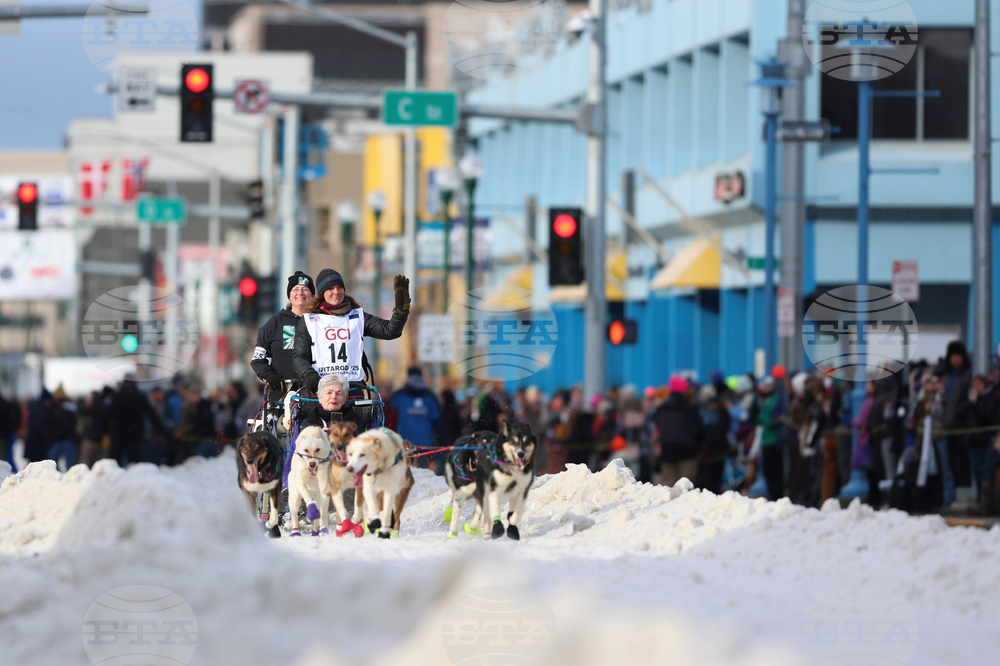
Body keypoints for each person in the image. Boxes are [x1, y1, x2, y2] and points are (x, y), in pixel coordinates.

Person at [292, 268, 410, 393]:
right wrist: (308, 374)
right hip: (321, 389)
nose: (336, 292)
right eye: (330, 288)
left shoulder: (357, 316)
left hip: (352, 387)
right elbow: (299, 357)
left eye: (339, 287)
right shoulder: (310, 321)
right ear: (322, 293)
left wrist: (401, 311)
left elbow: (390, 331)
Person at [252, 271, 315, 397]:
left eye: (305, 289)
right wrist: (269, 376)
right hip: (282, 393)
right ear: (289, 295)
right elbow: (257, 360)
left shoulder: (322, 322)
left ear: (312, 295)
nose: (300, 293)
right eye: (295, 289)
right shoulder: (274, 324)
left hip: (316, 392)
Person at [652, 376, 704, 487]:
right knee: (686, 486)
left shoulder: (662, 409)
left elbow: (656, 430)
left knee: (671, 486)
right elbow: (698, 431)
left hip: (667, 452)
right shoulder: (690, 409)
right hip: (687, 453)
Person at [105, 377, 167, 467]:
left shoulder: (117, 397)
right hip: (135, 434)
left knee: (115, 463)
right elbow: (152, 415)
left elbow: (106, 415)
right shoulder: (140, 397)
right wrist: (163, 430)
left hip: (119, 434)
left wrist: (106, 431)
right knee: (134, 462)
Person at [388, 366, 441, 469]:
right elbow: (437, 420)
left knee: (404, 471)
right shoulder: (430, 396)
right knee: (424, 472)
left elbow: (390, 415)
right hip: (425, 442)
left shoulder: (399, 396)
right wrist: (441, 440)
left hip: (404, 442)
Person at [298, 373, 362, 430]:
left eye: (339, 393)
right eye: (329, 393)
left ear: (344, 399)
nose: (334, 396)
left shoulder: (355, 422)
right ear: (319, 397)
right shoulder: (308, 423)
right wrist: (319, 436)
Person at [47, 387, 79, 470]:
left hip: (68, 439)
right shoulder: (57, 408)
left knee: (70, 463)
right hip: (59, 439)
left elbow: (67, 425)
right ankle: (56, 475)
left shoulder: (68, 408)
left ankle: (72, 477)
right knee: (51, 460)